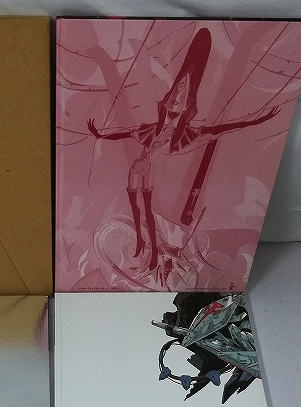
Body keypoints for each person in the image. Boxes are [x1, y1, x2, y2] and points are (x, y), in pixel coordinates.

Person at [88, 27, 279, 271]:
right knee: (136, 209)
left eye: (183, 93)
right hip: (139, 166)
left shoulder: (188, 134)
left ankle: (154, 253)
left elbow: (221, 129)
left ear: (188, 104)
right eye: (176, 90)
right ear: (168, 98)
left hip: (147, 172)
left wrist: (256, 121)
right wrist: (100, 135)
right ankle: (141, 242)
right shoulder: (152, 129)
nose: (177, 95)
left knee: (148, 212)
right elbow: (126, 133)